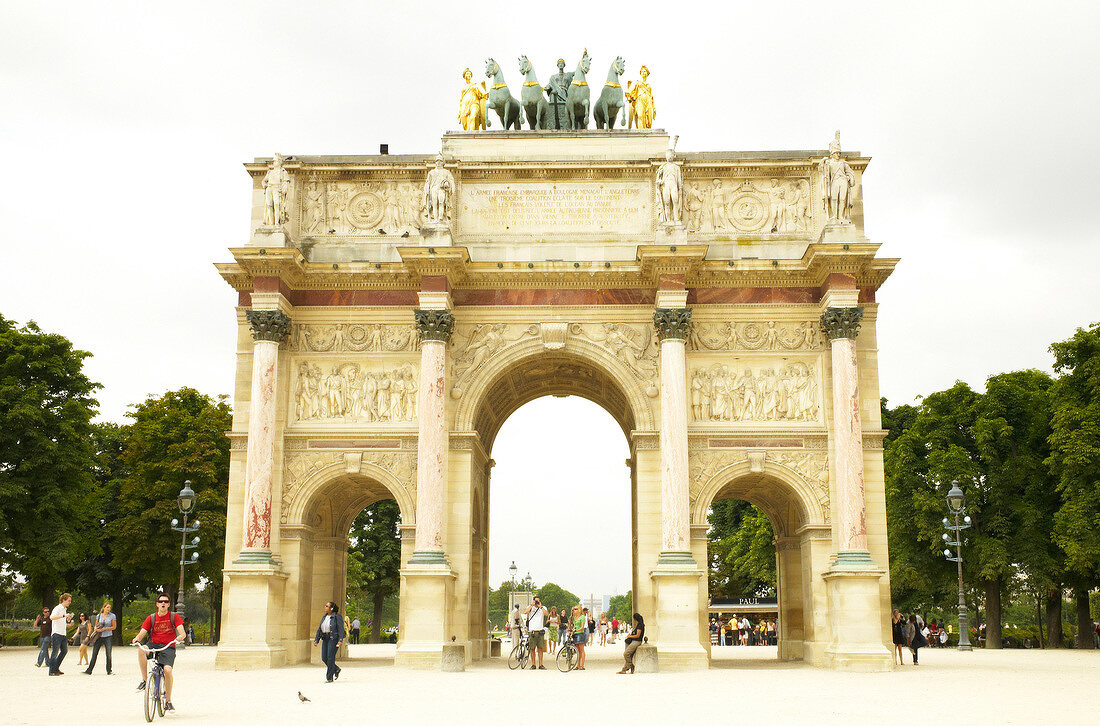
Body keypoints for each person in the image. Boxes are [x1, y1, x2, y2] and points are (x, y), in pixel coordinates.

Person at [133, 594, 186, 712]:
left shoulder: (174, 616)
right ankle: (144, 680)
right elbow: (142, 632)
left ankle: (168, 701)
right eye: (161, 601)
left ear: (168, 604)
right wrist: (137, 639)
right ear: (157, 604)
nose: (163, 603)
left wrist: (180, 637)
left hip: (168, 646)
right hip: (154, 644)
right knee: (141, 649)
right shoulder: (151, 618)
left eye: (166, 602)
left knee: (167, 670)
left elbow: (182, 632)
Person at [313, 601, 345, 683]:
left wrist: (340, 640)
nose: (325, 607)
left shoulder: (337, 617)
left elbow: (341, 629)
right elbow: (319, 629)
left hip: (333, 639)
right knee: (324, 658)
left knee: (330, 658)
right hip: (325, 638)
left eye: (327, 606)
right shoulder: (324, 617)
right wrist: (317, 639)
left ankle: (329, 678)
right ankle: (336, 669)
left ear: (331, 608)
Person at [85, 601, 117, 675]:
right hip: (99, 636)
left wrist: (105, 629)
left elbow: (114, 627)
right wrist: (96, 629)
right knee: (94, 653)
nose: (108, 609)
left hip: (108, 636)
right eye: (107, 607)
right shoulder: (99, 616)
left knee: (108, 653)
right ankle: (89, 670)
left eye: (109, 607)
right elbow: (96, 625)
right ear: (104, 607)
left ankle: (109, 670)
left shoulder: (112, 616)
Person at [47, 593, 74, 676]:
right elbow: (51, 617)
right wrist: (63, 615)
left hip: (63, 633)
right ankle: (52, 671)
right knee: (55, 652)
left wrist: (67, 622)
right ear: (63, 600)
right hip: (57, 633)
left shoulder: (64, 609)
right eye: (68, 601)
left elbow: (60, 621)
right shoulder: (58, 608)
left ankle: (55, 668)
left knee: (64, 651)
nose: (70, 602)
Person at [523, 596, 548, 670]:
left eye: (538, 601)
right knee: (532, 648)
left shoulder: (543, 608)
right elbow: (525, 612)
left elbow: (547, 614)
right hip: (532, 630)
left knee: (540, 648)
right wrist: (531, 605)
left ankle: (541, 664)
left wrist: (541, 607)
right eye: (535, 601)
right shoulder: (531, 607)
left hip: (540, 630)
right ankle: (533, 664)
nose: (537, 603)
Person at [571, 605, 587, 670]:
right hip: (576, 634)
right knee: (577, 650)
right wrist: (572, 631)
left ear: (579, 610)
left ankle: (582, 665)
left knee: (581, 650)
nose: (574, 610)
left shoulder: (582, 617)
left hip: (580, 634)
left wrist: (576, 630)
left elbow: (582, 627)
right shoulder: (575, 617)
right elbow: (575, 626)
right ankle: (578, 665)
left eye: (576, 609)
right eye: (574, 609)